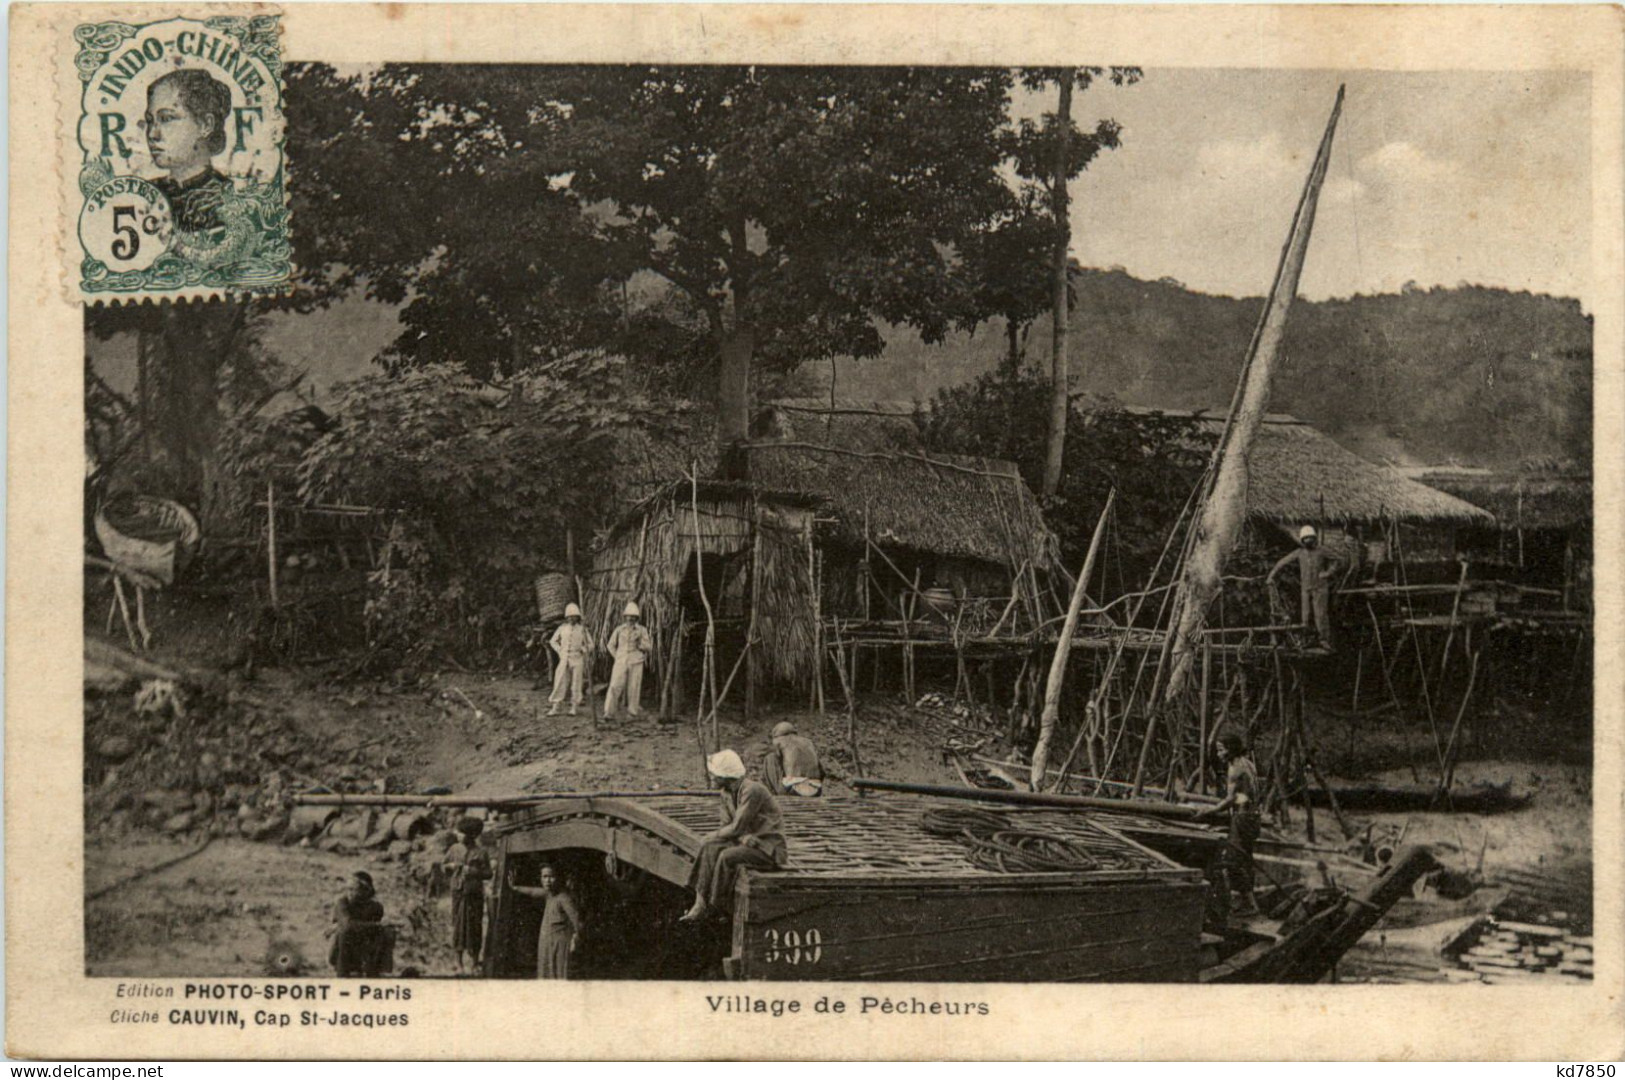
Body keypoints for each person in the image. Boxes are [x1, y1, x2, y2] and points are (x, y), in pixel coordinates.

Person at [680, 749, 788, 922]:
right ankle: (699, 902)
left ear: (726, 775)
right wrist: (739, 837)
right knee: (709, 848)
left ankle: (717, 906)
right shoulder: (726, 794)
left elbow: (736, 826)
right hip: (748, 841)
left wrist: (718, 835)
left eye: (715, 774)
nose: (712, 777)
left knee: (726, 856)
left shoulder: (752, 790)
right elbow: (728, 826)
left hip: (767, 848)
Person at [143, 69, 234, 235]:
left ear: (205, 125)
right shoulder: (142, 196)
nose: (152, 134)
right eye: (150, 121)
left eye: (166, 119)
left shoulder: (233, 200)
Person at [1197, 731, 1262, 920]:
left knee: (1235, 860)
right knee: (1246, 858)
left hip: (1243, 817)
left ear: (1230, 750)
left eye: (1221, 750)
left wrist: (1208, 811)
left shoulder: (1235, 769)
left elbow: (1230, 799)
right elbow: (1248, 794)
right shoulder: (1248, 763)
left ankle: (1250, 904)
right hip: (1254, 816)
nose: (1218, 754)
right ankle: (1247, 902)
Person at [1266, 525, 1340, 651]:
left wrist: (1328, 573)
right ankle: (1306, 639)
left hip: (1320, 587)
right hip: (1305, 588)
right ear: (1302, 541)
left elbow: (1338, 560)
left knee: (1320, 615)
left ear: (1314, 539)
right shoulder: (1299, 553)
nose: (1308, 541)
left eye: (1310, 538)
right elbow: (1282, 562)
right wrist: (1271, 575)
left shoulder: (1322, 550)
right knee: (1305, 616)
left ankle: (1324, 640)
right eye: (1305, 539)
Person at [507, 863, 584, 979]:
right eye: (545, 877)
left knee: (558, 974)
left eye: (551, 877)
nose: (548, 880)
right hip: (546, 943)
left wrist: (575, 939)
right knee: (545, 973)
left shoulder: (564, 898)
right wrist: (515, 888)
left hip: (559, 944)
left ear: (558, 878)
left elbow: (577, 921)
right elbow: (533, 891)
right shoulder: (549, 895)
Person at [447, 817, 492, 974]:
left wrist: (474, 872)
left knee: (474, 927)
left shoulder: (481, 852)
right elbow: (443, 866)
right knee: (458, 927)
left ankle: (474, 963)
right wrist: (452, 866)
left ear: (472, 835)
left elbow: (489, 873)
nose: (459, 836)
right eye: (458, 833)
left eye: (462, 833)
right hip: (458, 893)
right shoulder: (454, 849)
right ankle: (458, 963)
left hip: (474, 894)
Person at [329, 870, 388, 977]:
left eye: (353, 889)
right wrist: (375, 925)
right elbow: (348, 925)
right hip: (342, 952)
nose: (349, 893)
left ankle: (374, 972)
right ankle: (342, 975)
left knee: (386, 932)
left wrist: (376, 927)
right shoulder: (342, 903)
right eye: (347, 889)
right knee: (345, 932)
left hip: (364, 948)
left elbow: (372, 930)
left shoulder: (376, 907)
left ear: (365, 891)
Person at [603, 602, 653, 719]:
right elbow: (610, 645)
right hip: (621, 661)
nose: (630, 618)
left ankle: (632, 712)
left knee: (634, 687)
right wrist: (617, 656)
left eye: (633, 616)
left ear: (637, 618)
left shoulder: (642, 630)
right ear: (625, 617)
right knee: (615, 685)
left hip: (636, 661)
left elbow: (648, 647)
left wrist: (640, 646)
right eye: (628, 616)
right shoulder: (619, 629)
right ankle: (609, 712)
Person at [547, 603, 593, 717]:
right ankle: (556, 706)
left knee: (576, 682)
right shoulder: (562, 628)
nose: (572, 618)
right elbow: (553, 641)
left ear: (578, 617)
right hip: (564, 658)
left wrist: (583, 650)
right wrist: (560, 650)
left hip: (577, 658)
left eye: (574, 616)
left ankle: (574, 707)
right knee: (560, 681)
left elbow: (591, 644)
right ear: (566, 618)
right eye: (569, 617)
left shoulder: (582, 629)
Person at [761, 721, 824, 797]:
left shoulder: (779, 741)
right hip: (816, 790)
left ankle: (774, 797)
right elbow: (822, 772)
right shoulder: (808, 743)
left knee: (770, 758)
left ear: (776, 735)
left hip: (793, 790)